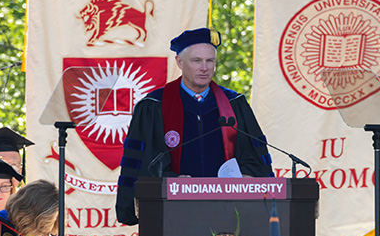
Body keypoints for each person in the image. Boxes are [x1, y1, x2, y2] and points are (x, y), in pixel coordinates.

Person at [116, 27, 274, 225]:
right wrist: (171, 180)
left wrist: (247, 176)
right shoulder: (154, 106)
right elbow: (142, 164)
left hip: (231, 214)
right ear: (180, 62)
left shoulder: (234, 105)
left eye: (210, 61)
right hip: (173, 216)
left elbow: (255, 158)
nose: (204, 68)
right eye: (196, 61)